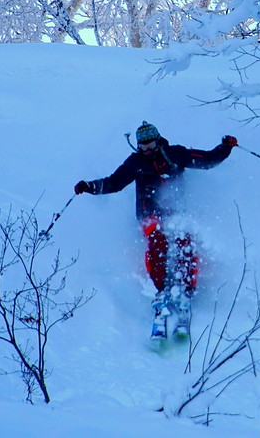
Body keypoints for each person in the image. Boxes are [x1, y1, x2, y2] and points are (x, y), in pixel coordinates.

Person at [74, 121, 237, 338]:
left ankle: (186, 289)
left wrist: (224, 147)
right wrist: (90, 186)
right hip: (149, 215)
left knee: (184, 241)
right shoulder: (135, 163)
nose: (148, 150)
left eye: (151, 145)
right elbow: (114, 183)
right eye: (143, 147)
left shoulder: (175, 154)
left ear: (158, 140)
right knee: (157, 241)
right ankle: (162, 289)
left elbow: (206, 161)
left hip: (177, 213)